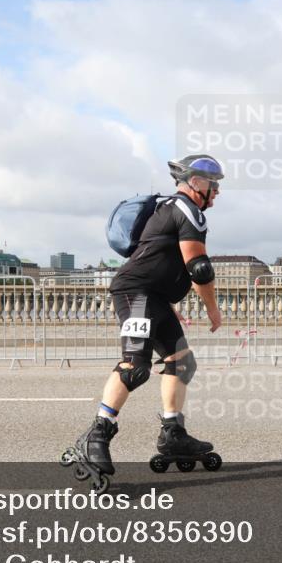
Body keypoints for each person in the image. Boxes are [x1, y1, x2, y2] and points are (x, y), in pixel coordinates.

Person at [69, 154, 224, 482]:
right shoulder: (188, 211)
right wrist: (212, 307)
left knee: (182, 363)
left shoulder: (170, 208)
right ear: (196, 183)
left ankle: (173, 434)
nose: (217, 192)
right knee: (135, 365)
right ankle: (96, 434)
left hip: (153, 297)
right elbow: (199, 267)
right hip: (137, 293)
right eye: (215, 185)